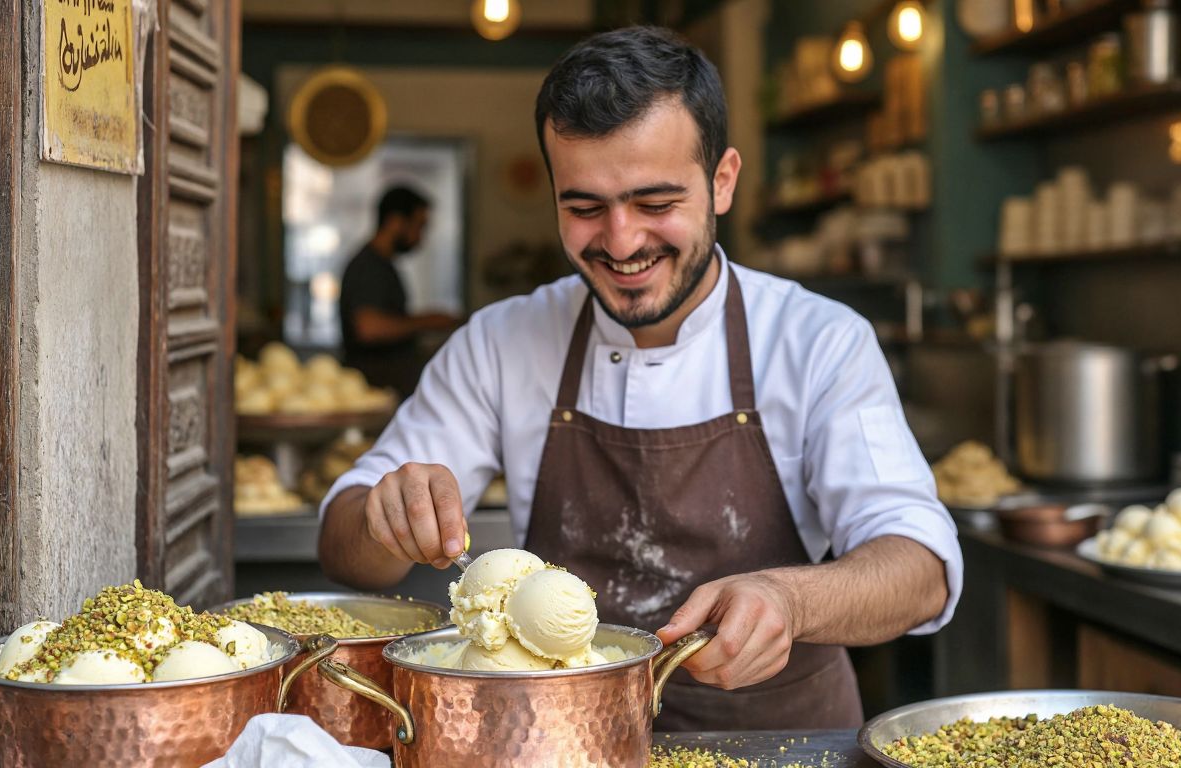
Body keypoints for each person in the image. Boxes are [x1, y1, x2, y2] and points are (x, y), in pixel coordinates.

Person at [319, 26, 961, 731]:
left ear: (722, 181)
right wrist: (386, 518)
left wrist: (791, 599)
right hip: (563, 742)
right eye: (585, 207)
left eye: (655, 204)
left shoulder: (818, 341)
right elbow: (345, 546)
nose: (621, 243)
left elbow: (921, 568)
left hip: (777, 741)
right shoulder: (501, 343)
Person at [338, 185, 458, 396]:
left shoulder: (384, 264)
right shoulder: (367, 266)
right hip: (374, 388)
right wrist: (427, 322)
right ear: (395, 222)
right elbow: (368, 328)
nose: (421, 237)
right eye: (419, 226)